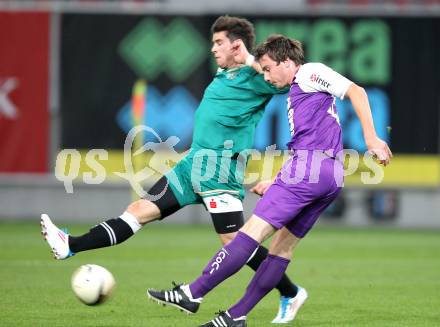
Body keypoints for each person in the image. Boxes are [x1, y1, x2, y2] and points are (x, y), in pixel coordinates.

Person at [41, 17, 304, 324]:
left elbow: (285, 79)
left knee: (236, 244)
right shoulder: (226, 72)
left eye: (219, 43)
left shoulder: (257, 76)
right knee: (138, 210)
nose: (213, 49)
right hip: (191, 167)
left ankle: (290, 291)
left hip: (220, 171)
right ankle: (69, 246)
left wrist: (250, 59)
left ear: (236, 45)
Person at [146, 35, 392, 327]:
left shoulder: (310, 72)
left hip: (308, 171)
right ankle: (236, 316)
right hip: (328, 175)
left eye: (267, 68)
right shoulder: (300, 92)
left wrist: (371, 138)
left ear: (287, 62)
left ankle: (193, 293)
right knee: (281, 249)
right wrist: (277, 179)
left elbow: (357, 92)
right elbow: (309, 140)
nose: (265, 76)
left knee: (247, 236)